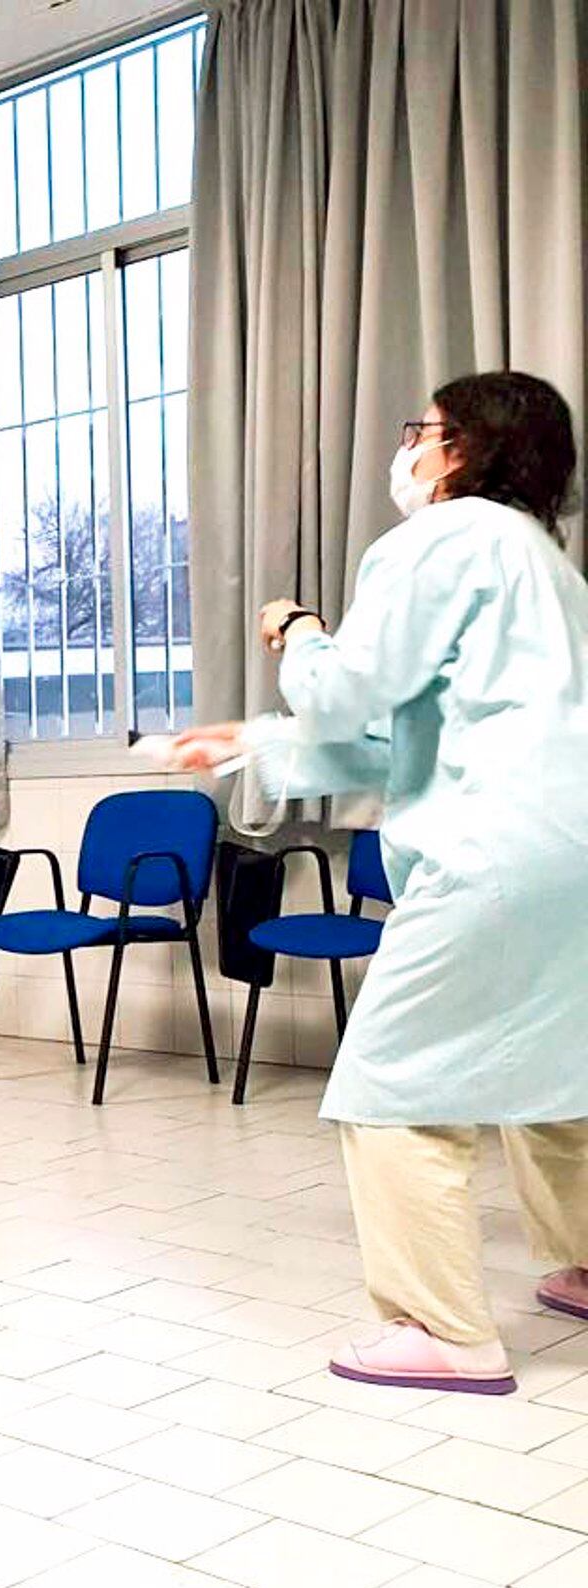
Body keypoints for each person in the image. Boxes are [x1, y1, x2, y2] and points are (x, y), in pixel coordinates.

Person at [175, 371, 588, 1394]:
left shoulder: (439, 542)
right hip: (566, 848)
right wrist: (259, 744)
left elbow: (352, 689)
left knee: (394, 1083)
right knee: (556, 1068)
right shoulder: (551, 571)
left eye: (426, 430)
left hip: (490, 851)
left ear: (459, 451)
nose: (410, 448)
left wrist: (297, 632)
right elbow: (407, 741)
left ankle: (445, 1331)